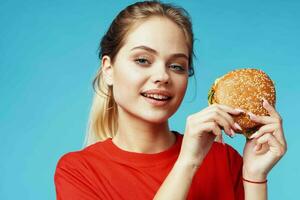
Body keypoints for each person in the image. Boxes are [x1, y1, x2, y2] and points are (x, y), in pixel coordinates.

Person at [54, 1, 287, 199]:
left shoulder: (224, 161)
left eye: (176, 66)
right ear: (108, 69)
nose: (163, 77)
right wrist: (187, 163)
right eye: (143, 60)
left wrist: (255, 178)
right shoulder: (79, 172)